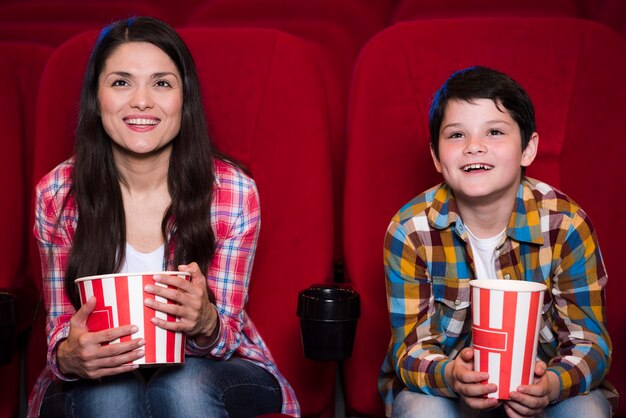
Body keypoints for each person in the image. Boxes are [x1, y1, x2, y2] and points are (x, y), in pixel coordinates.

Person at [28, 16, 298, 418]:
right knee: (111, 392)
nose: (141, 100)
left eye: (162, 83)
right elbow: (61, 328)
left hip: (212, 371)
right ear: (95, 97)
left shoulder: (232, 192)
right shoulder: (57, 195)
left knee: (181, 386)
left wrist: (206, 320)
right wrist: (70, 354)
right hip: (98, 382)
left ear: (184, 99)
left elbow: (225, 338)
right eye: (121, 82)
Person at [379, 66, 615, 417]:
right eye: (456, 135)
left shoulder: (565, 224)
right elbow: (411, 348)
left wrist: (550, 386)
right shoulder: (410, 230)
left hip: (546, 389)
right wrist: (453, 377)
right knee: (422, 410)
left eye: (494, 132)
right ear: (436, 156)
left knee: (589, 410)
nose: (475, 147)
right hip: (447, 393)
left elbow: (590, 344)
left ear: (528, 149)